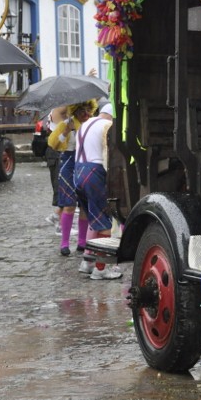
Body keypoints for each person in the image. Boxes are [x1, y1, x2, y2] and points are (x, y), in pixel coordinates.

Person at [74, 101, 121, 279]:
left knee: (94, 220)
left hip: (78, 173)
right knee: (104, 223)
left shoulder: (85, 124)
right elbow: (108, 154)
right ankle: (101, 269)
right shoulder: (107, 125)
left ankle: (87, 262)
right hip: (94, 173)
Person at [48, 100, 95, 257]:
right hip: (68, 164)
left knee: (84, 206)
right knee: (69, 205)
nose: (86, 114)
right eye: (82, 110)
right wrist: (67, 131)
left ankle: (82, 242)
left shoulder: (90, 125)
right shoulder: (66, 124)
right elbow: (55, 144)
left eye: (88, 110)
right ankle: (65, 243)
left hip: (84, 164)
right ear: (75, 111)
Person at [43, 107, 65, 235]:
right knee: (60, 188)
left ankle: (58, 220)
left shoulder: (58, 110)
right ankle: (58, 222)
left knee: (62, 188)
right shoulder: (59, 110)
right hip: (56, 151)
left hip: (56, 151)